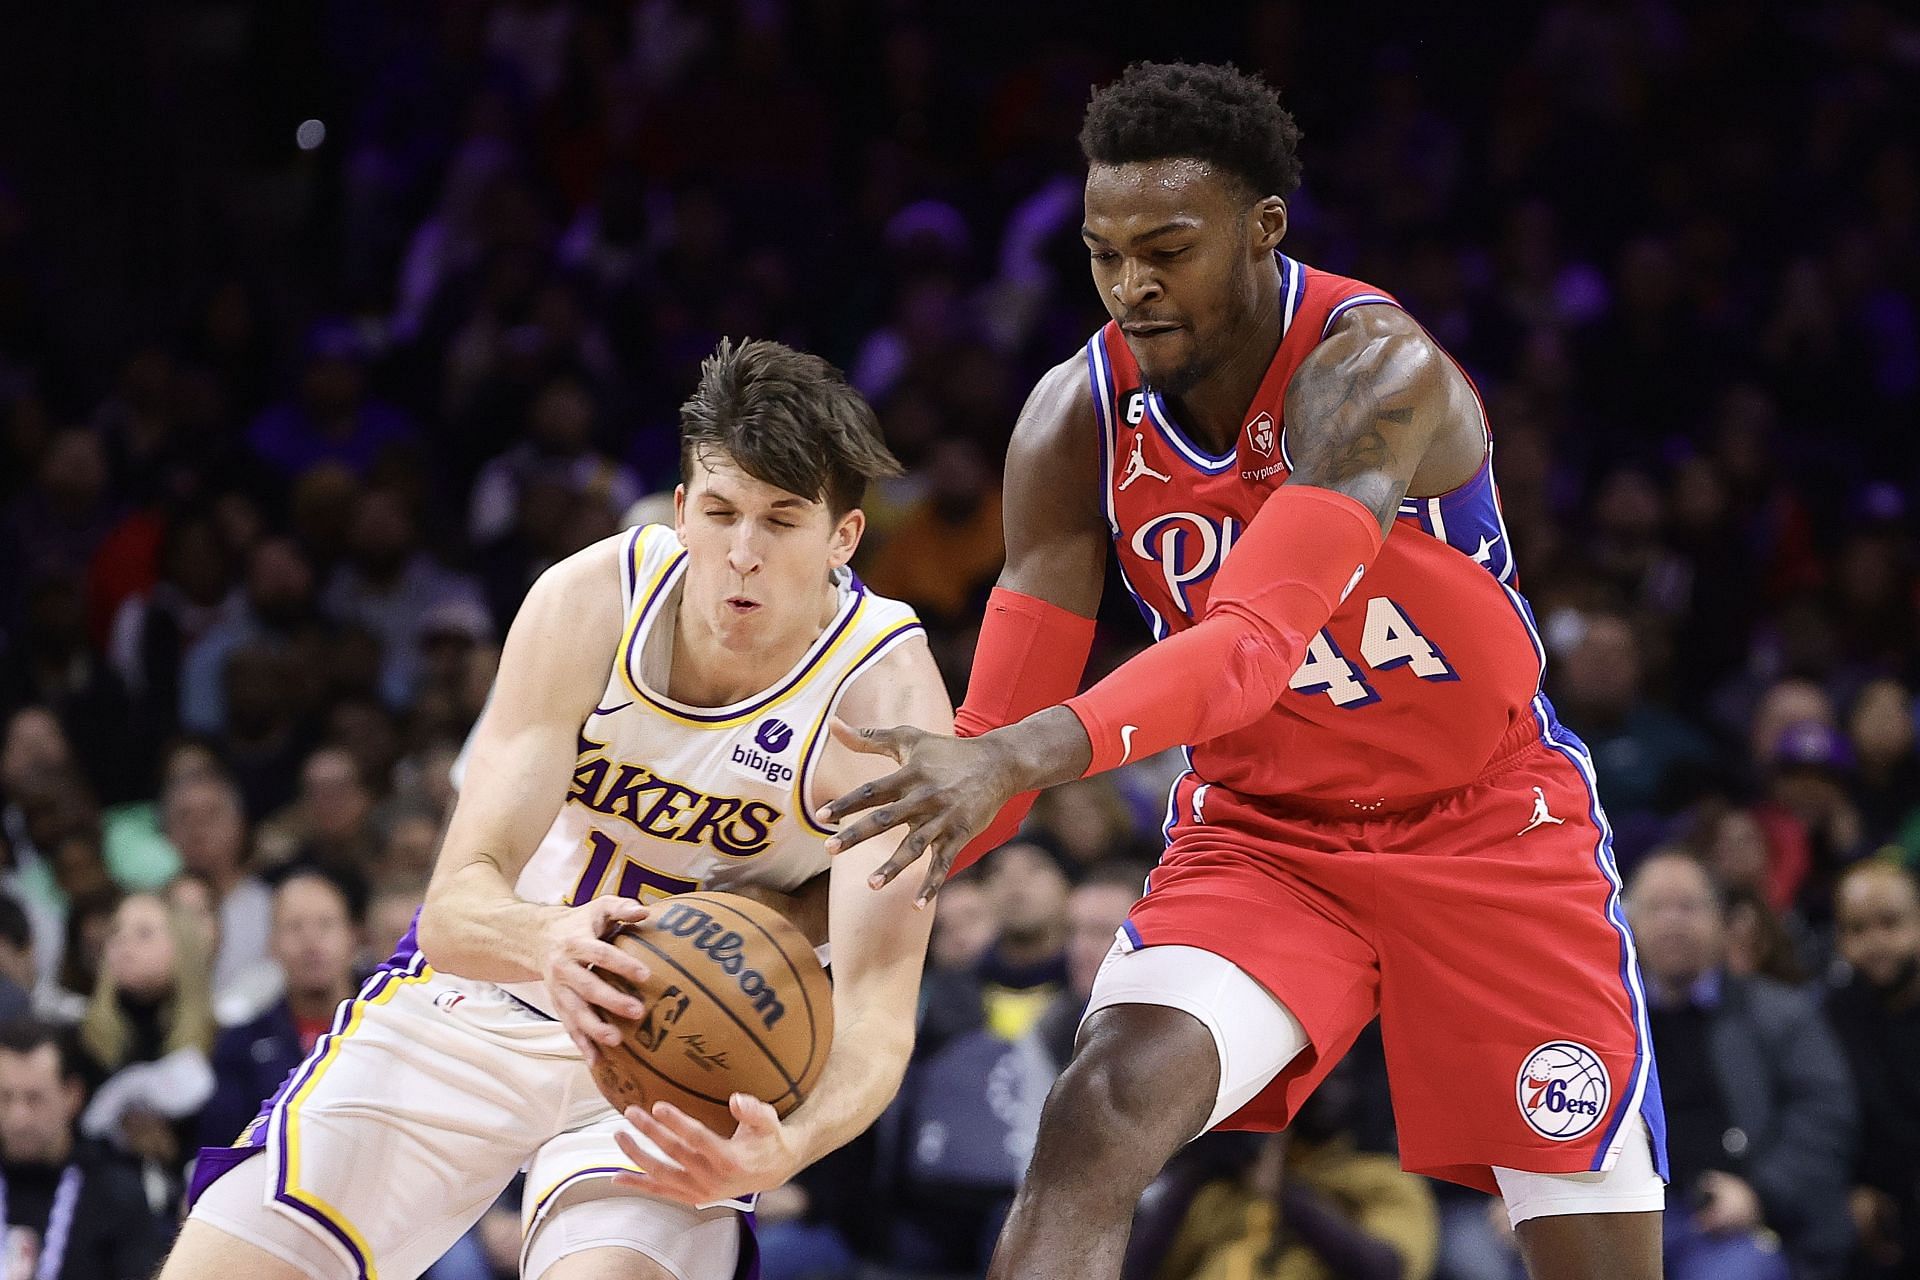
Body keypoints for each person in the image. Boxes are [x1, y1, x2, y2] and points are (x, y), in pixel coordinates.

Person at [821, 61, 1668, 1280]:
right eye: (1104, 253)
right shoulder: (1075, 419)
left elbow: (1253, 648)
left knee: (1595, 1256)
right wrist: (820, 899)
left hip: (1488, 824)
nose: (1132, 285)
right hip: (1268, 838)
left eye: (1168, 248)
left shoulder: (1377, 373)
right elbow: (993, 745)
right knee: (1097, 1110)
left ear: (1265, 228)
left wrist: (1012, 751)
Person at [161, 337, 953, 1280]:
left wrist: (791, 1143)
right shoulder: (589, 601)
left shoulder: (886, 707)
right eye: (722, 512)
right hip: (480, 997)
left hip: (680, 1063)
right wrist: (549, 942)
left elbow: (876, 1014)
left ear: (843, 538)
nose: (743, 554)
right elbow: (456, 908)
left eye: (782, 520)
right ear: (682, 513)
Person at [1625, 851, 1853, 1280]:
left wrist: (1760, 1192)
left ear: (1720, 921)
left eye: (1688, 906)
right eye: (1656, 907)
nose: (1673, 921)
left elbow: (1825, 1115)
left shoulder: (1781, 1014)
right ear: (1629, 924)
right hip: (1626, 1216)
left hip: (1733, 1219)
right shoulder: (1606, 1027)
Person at [0, 1019, 172, 1279]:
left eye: (34, 1099)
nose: (18, 1118)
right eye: (5, 1097)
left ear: (72, 1095)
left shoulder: (115, 1195)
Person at [1824, 860, 1920, 1277]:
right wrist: (1846, 1189)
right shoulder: (1830, 1014)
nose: (1875, 942)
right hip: (1874, 1204)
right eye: (1857, 929)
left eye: (1891, 923)